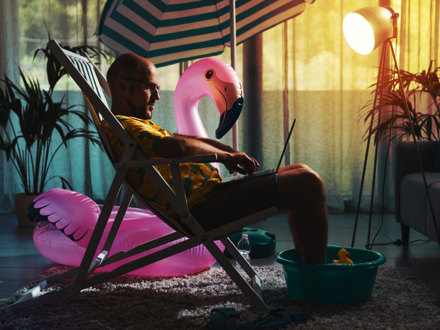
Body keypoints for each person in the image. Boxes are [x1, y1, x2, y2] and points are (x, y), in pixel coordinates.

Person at [104, 53, 328, 264]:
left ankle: (309, 270)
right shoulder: (126, 126)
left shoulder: (135, 125)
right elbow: (178, 146)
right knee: (308, 182)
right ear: (123, 86)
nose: (157, 96)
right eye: (150, 87)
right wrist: (223, 157)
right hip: (204, 209)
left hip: (211, 197)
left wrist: (230, 151)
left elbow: (182, 138)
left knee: (299, 171)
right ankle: (314, 279)